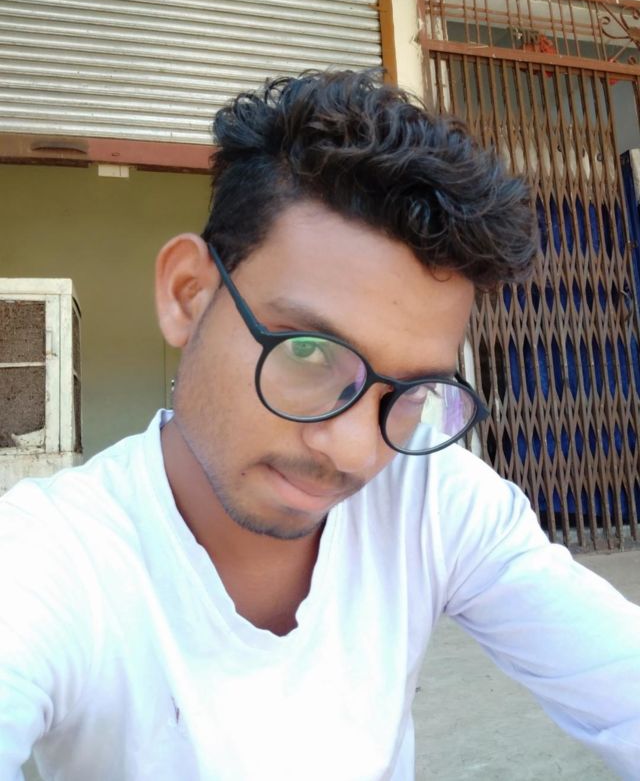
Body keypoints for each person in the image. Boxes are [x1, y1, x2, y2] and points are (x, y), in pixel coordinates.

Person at [1, 70, 638, 781]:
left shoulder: (434, 500)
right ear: (188, 295)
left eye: (412, 391)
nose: (356, 451)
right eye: (307, 353)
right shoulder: (50, 559)